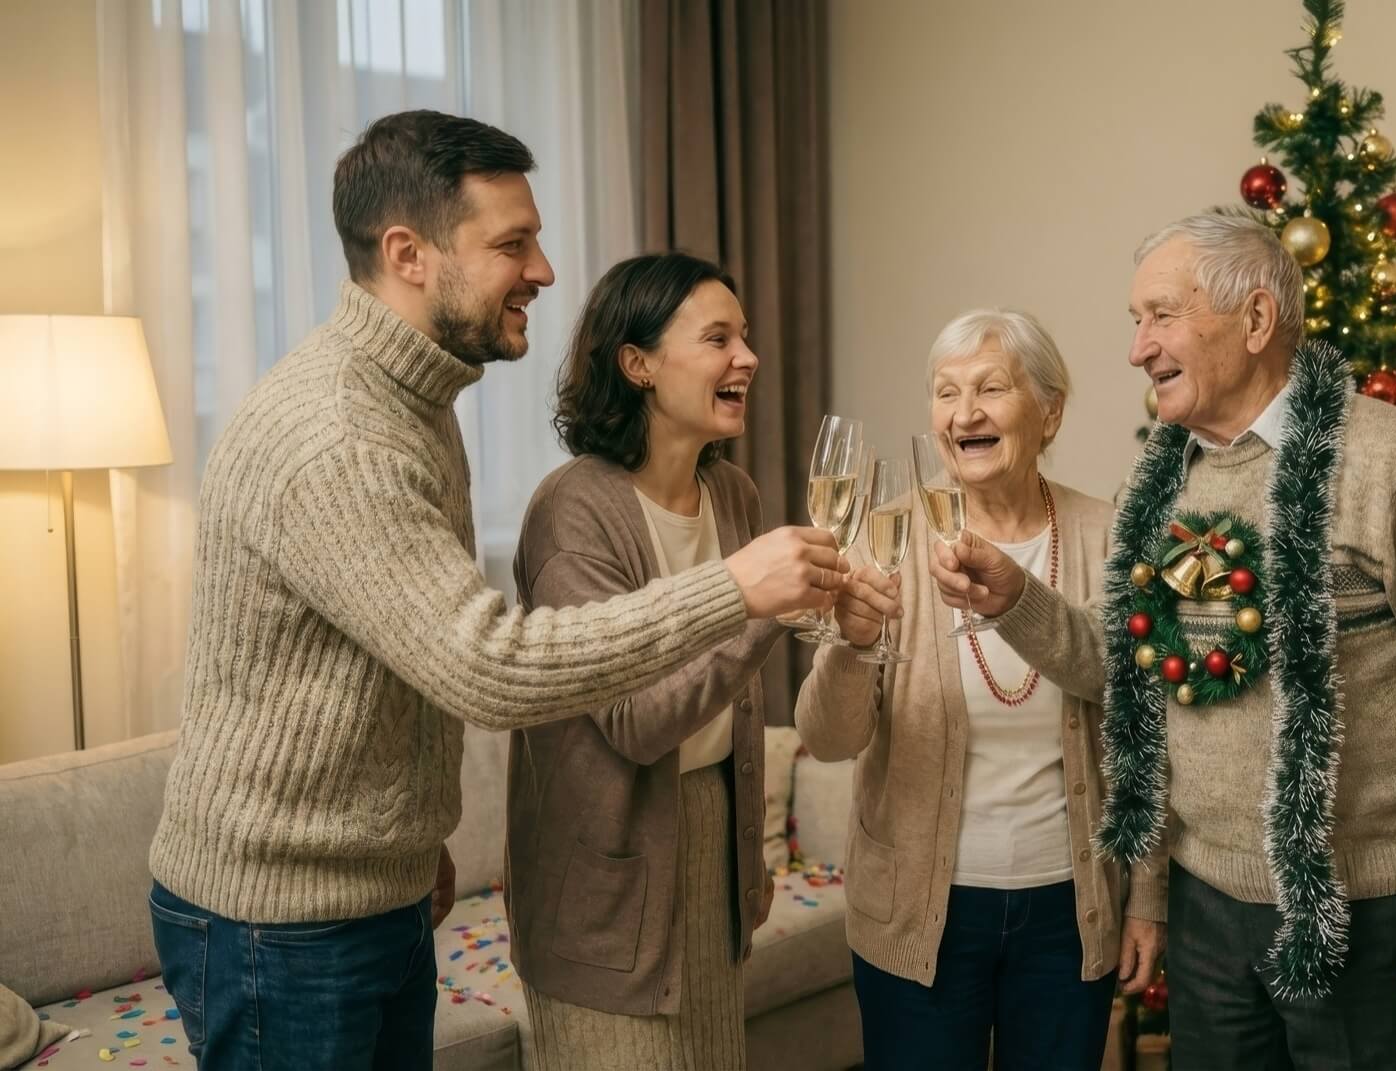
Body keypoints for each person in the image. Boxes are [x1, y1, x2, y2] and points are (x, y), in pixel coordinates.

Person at [146, 111, 843, 1071]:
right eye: (513, 243)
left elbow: (404, 648)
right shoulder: (342, 435)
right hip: (282, 921)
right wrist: (737, 589)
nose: (546, 271)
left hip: (371, 892)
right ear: (409, 253)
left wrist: (411, 835)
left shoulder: (416, 404)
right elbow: (488, 664)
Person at [930, 214, 1396, 1069]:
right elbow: (1127, 665)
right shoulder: (1168, 479)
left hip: (1366, 909)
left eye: (1161, 317)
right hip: (1208, 909)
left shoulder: (1389, 460)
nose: (1138, 349)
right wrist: (1017, 599)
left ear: (1253, 322)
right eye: (1136, 322)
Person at [799, 309, 1167, 1070]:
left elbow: (1147, 734)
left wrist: (1147, 895)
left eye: (991, 388)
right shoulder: (887, 535)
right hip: (919, 913)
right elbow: (828, 740)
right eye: (945, 392)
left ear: (1051, 410)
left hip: (1070, 909)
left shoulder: (1111, 535)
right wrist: (853, 644)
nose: (963, 412)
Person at [507, 252, 792, 1068]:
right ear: (637, 364)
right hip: (605, 882)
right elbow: (634, 722)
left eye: (746, 336)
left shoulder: (733, 495)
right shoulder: (573, 513)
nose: (748, 357)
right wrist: (766, 608)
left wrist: (747, 862)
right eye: (718, 338)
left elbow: (732, 707)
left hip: (710, 842)